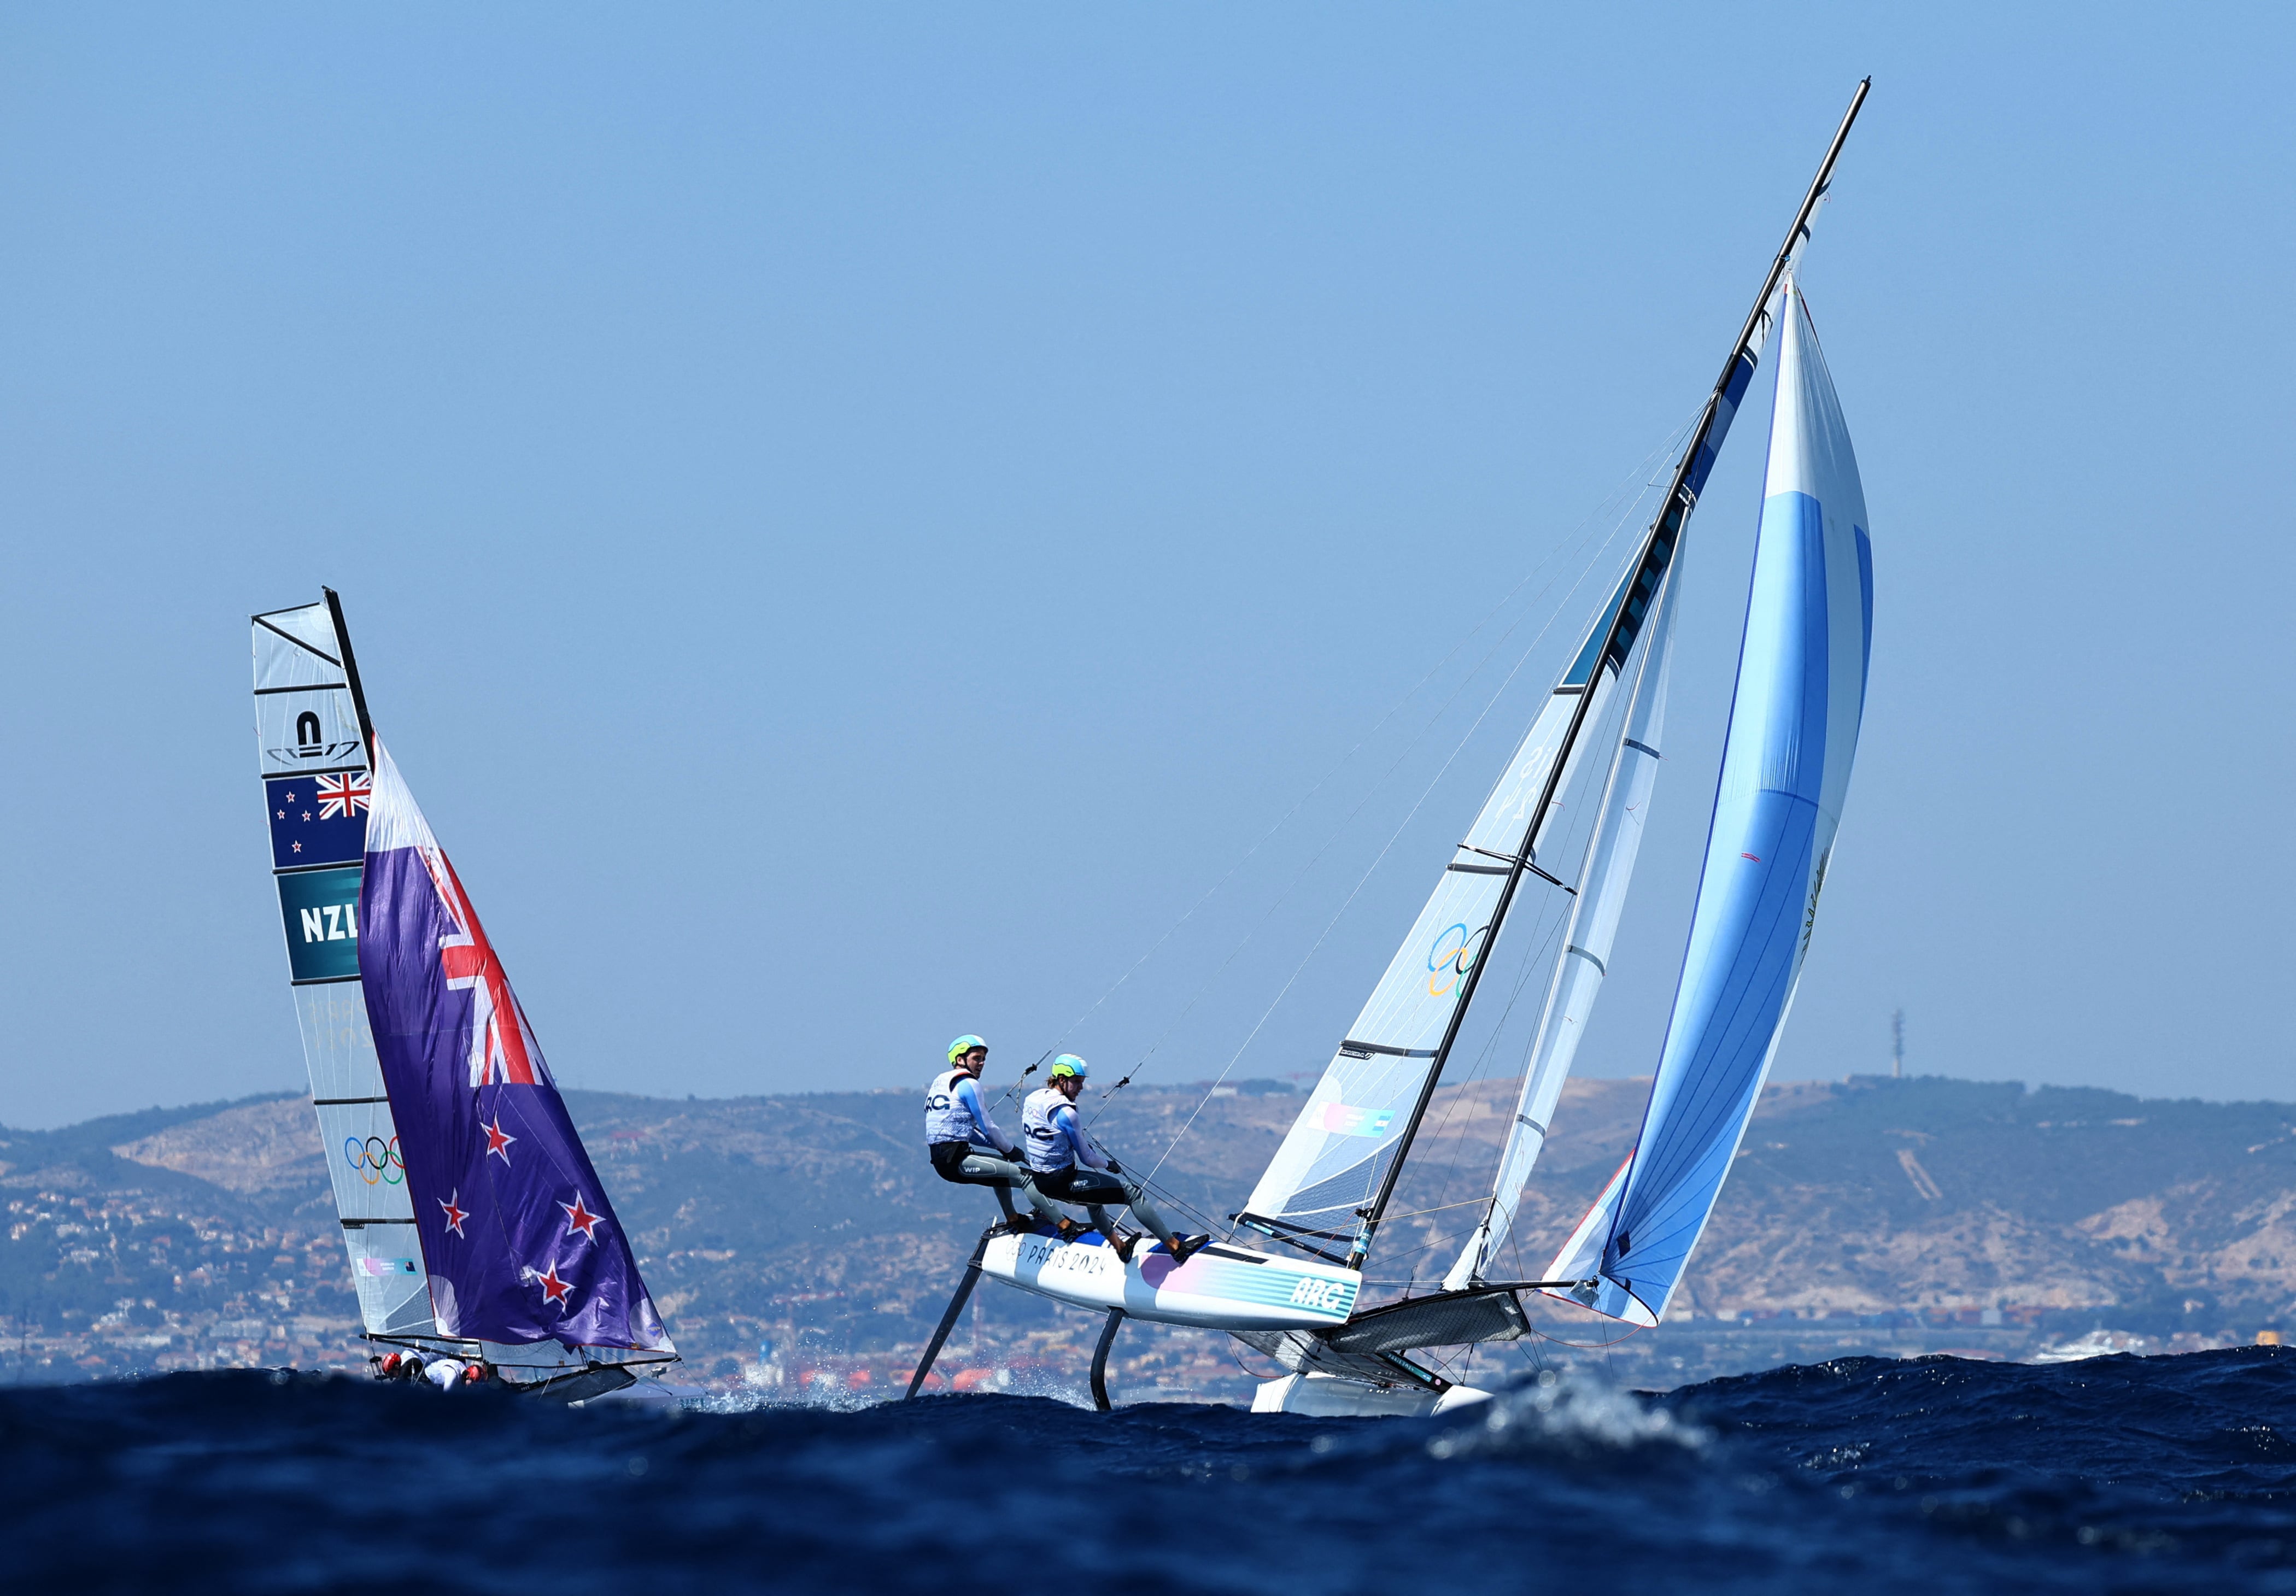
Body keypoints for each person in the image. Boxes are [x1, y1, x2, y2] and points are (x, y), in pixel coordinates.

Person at [1022, 1056, 1200, 1265]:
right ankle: (1176, 1248)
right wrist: (1109, 1165)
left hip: (1042, 1181)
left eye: (1082, 1081)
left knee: (1094, 1201)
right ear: (1062, 1080)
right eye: (1077, 1082)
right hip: (1063, 1182)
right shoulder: (1067, 1113)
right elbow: (1088, 1159)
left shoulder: (1034, 1099)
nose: (1081, 1087)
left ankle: (1121, 1248)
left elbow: (1048, 1135)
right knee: (1133, 1194)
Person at [926, 1034, 1057, 1232]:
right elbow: (988, 1126)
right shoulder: (969, 1083)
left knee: (1001, 1172)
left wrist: (1001, 1148)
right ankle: (1064, 1225)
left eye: (983, 1059)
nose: (982, 1063)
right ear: (960, 1060)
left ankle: (1013, 1218)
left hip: (944, 1159)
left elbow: (968, 1133)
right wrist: (1011, 1149)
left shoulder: (941, 1082)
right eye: (976, 1058)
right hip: (955, 1159)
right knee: (1027, 1177)